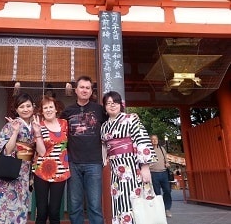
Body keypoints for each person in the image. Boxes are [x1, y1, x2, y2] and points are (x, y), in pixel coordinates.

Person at [100, 91, 157, 224]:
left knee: (134, 199)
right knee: (118, 199)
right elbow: (104, 147)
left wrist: (145, 167)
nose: (112, 105)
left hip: (132, 165)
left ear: (121, 104)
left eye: (115, 102)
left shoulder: (131, 119)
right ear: (104, 107)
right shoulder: (104, 127)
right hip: (115, 168)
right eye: (108, 103)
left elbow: (142, 140)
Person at [0, 92, 45, 224]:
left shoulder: (35, 126)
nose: (25, 109)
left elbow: (40, 152)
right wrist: (15, 132)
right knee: (4, 205)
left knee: (21, 206)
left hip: (25, 171)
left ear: (33, 107)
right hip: (10, 169)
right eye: (21, 107)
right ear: (16, 109)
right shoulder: (10, 125)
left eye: (28, 106)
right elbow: (7, 150)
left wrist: (38, 133)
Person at [60, 75, 107, 224]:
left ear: (91, 91)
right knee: (75, 205)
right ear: (76, 90)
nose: (84, 90)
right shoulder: (67, 111)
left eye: (88, 88)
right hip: (73, 162)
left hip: (94, 162)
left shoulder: (99, 110)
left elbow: (112, 123)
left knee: (94, 205)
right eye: (82, 87)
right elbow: (58, 132)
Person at [32, 95, 70, 224]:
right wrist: (37, 133)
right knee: (41, 211)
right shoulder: (39, 126)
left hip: (60, 172)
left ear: (56, 109)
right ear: (42, 111)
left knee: (54, 211)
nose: (48, 110)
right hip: (42, 172)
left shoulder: (65, 124)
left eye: (51, 107)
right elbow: (41, 152)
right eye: (45, 108)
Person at [150, 134, 173, 218]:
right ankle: (159, 210)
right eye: (152, 139)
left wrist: (167, 163)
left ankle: (167, 209)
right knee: (157, 193)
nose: (154, 141)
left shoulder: (162, 148)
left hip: (164, 173)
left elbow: (166, 160)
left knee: (167, 190)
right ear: (150, 140)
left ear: (157, 140)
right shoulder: (148, 150)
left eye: (155, 139)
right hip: (153, 173)